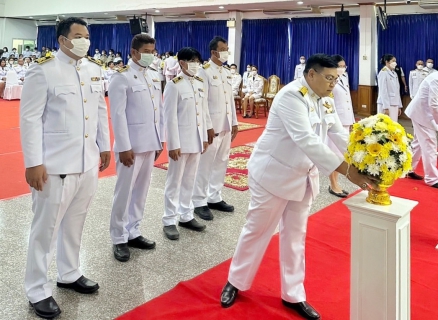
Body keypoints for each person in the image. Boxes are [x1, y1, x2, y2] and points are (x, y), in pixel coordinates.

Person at [219, 54, 377, 320]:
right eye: (329, 78)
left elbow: (338, 133)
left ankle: (294, 294)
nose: (333, 84)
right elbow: (306, 140)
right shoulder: (291, 96)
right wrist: (349, 172)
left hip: (303, 176)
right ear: (311, 74)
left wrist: (365, 160)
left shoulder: (325, 99)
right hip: (273, 174)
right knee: (257, 230)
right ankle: (235, 281)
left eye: (336, 79)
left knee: (295, 236)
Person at [20, 17, 111, 319]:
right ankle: (37, 289)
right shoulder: (43, 72)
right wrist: (33, 162)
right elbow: (30, 119)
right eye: (78, 35)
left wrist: (105, 145)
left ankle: (69, 273)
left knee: (76, 223)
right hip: (55, 166)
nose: (85, 40)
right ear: (62, 40)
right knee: (45, 230)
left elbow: (99, 111)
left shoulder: (95, 70)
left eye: (87, 35)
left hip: (86, 163)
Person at [108, 33, 164, 262]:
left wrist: (159, 139)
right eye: (147, 52)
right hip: (130, 147)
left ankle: (134, 231)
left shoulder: (153, 75)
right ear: (134, 52)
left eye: (153, 51)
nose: (151, 56)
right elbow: (117, 115)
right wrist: (123, 146)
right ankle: (119, 237)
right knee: (124, 193)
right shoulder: (121, 78)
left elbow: (157, 111)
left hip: (150, 143)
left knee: (141, 192)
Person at [162, 47, 209, 240]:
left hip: (196, 140)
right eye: (192, 61)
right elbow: (170, 117)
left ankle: (186, 215)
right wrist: (173, 144)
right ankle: (169, 220)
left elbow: (203, 111)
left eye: (198, 61)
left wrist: (204, 137)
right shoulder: (174, 85)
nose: (196, 64)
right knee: (174, 181)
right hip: (180, 142)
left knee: (190, 179)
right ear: (181, 63)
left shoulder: (199, 82)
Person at [192, 36, 238, 221]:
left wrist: (234, 121)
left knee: (221, 162)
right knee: (205, 165)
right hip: (212, 127)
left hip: (226, 125)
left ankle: (214, 196)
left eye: (227, 48)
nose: (226, 52)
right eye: (223, 49)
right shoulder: (204, 72)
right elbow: (201, 103)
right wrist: (208, 127)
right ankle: (199, 201)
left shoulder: (227, 72)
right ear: (213, 52)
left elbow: (230, 100)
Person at [326, 54, 356, 198]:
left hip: (345, 119)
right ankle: (333, 184)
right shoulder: (328, 79)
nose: (343, 68)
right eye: (340, 66)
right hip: (334, 121)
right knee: (334, 154)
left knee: (341, 154)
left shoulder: (344, 77)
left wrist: (351, 120)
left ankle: (336, 182)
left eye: (344, 66)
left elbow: (347, 100)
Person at [404, 72, 438, 188]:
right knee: (430, 144)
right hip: (422, 114)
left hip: (423, 113)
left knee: (418, 143)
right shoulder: (435, 80)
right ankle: (432, 179)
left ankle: (408, 169)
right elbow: (433, 105)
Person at [377, 54, 402, 122]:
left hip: (394, 103)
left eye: (395, 61)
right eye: (393, 61)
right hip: (386, 104)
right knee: (385, 126)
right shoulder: (383, 73)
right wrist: (386, 107)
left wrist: (399, 105)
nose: (395, 63)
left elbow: (397, 91)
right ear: (387, 62)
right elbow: (383, 91)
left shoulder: (394, 73)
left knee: (393, 126)